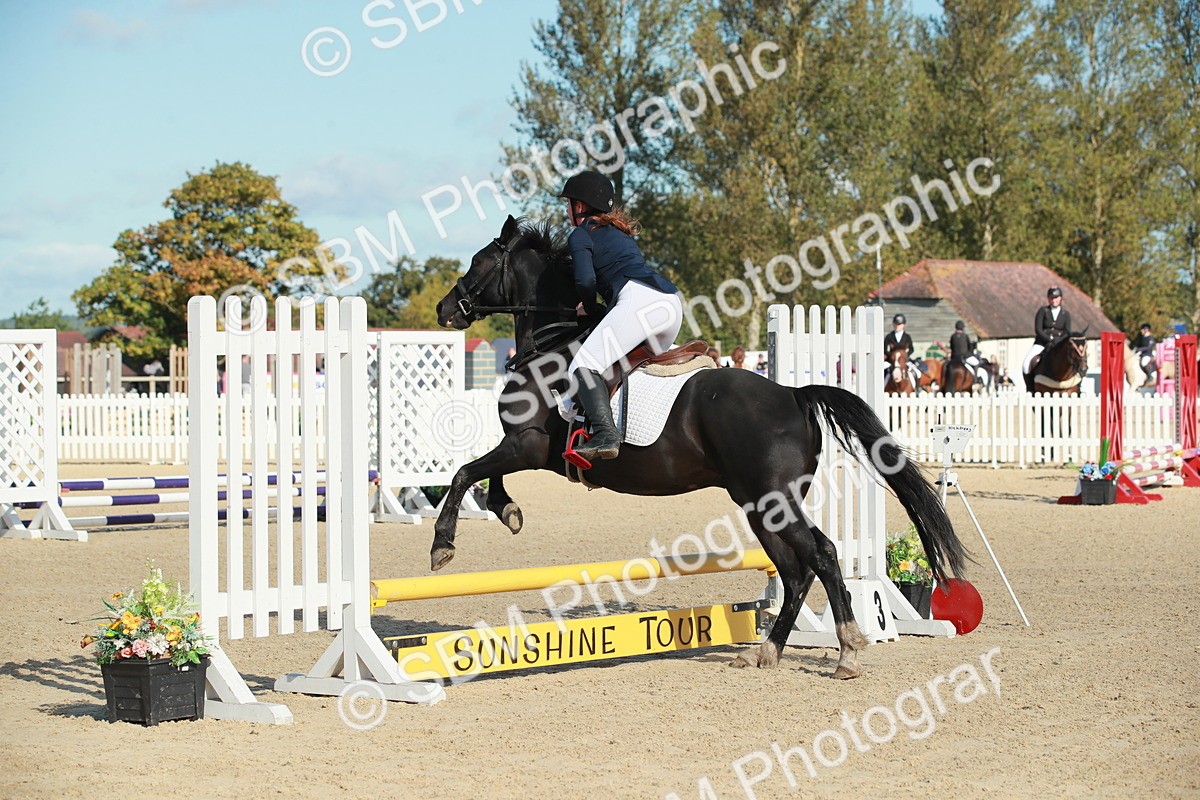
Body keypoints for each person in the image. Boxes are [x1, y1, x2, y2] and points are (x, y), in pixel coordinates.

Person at [560, 170, 683, 461]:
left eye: (568, 204)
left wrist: (588, 306)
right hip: (671, 305)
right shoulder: (619, 232)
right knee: (628, 368)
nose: (567, 210)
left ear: (578, 207)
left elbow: (585, 282)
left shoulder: (580, 234)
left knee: (583, 364)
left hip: (639, 302)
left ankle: (605, 434)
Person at [1021, 286, 1072, 377]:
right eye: (1051, 298)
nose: (1053, 300)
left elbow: (1067, 332)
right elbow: (1038, 329)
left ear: (1060, 298)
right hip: (1042, 343)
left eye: (1056, 298)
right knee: (1026, 364)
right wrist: (1049, 339)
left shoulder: (1066, 314)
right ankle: (1030, 388)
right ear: (1048, 299)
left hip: (1059, 345)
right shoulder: (1043, 311)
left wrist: (1058, 341)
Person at [883, 313, 920, 385]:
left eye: (899, 324)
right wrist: (892, 356)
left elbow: (911, 349)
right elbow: (884, 349)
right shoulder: (889, 336)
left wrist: (905, 356)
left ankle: (916, 389)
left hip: (904, 360)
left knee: (917, 373)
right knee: (884, 371)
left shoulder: (907, 337)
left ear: (903, 325)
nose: (897, 326)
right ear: (893, 324)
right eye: (895, 324)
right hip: (891, 361)